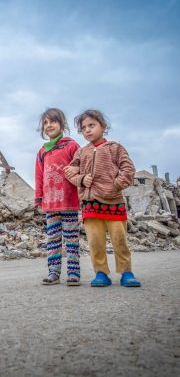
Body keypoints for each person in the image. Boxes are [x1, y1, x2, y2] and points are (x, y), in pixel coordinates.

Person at [64, 109, 141, 287]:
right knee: (95, 242)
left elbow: (128, 169)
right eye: (84, 128)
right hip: (90, 204)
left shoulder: (115, 148)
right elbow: (69, 173)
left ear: (103, 127)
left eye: (92, 125)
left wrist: (115, 185)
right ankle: (101, 273)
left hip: (114, 202)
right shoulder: (81, 152)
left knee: (119, 240)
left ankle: (126, 272)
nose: (88, 130)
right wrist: (82, 179)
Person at [35, 108, 81, 286]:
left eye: (52, 121)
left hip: (69, 202)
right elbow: (39, 175)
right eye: (45, 123)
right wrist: (39, 198)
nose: (48, 125)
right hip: (50, 204)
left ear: (62, 124)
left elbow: (81, 168)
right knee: (53, 239)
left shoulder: (71, 146)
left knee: (71, 238)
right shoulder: (42, 151)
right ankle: (53, 272)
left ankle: (73, 273)